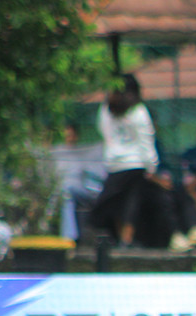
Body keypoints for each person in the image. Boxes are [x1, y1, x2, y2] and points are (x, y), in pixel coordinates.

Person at [91, 74, 159, 247]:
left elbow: (104, 132)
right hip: (135, 165)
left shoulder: (106, 110)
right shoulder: (139, 111)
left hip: (116, 165)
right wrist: (151, 166)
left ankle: (124, 240)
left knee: (120, 203)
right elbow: (146, 139)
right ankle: (124, 239)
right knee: (129, 204)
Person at [48, 122, 106, 241]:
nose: (68, 138)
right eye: (66, 135)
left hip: (82, 190)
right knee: (65, 195)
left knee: (67, 189)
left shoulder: (84, 152)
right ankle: (69, 238)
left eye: (71, 135)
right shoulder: (56, 152)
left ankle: (67, 237)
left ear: (76, 136)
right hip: (62, 192)